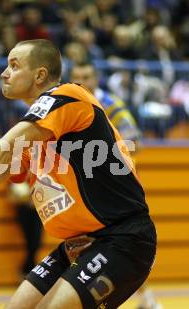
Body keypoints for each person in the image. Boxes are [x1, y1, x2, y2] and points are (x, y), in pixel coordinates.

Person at [0, 39, 157, 308]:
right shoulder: (38, 133)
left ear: (40, 74)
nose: (4, 73)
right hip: (77, 243)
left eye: (14, 66)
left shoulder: (68, 95)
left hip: (122, 238)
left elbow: (6, 147)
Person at [70, 63, 161, 309]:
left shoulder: (109, 103)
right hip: (85, 190)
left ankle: (144, 296)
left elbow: (136, 140)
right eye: (76, 76)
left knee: (120, 244)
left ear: (96, 78)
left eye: (86, 75)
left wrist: (101, 154)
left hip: (117, 189)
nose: (81, 81)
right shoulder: (69, 105)